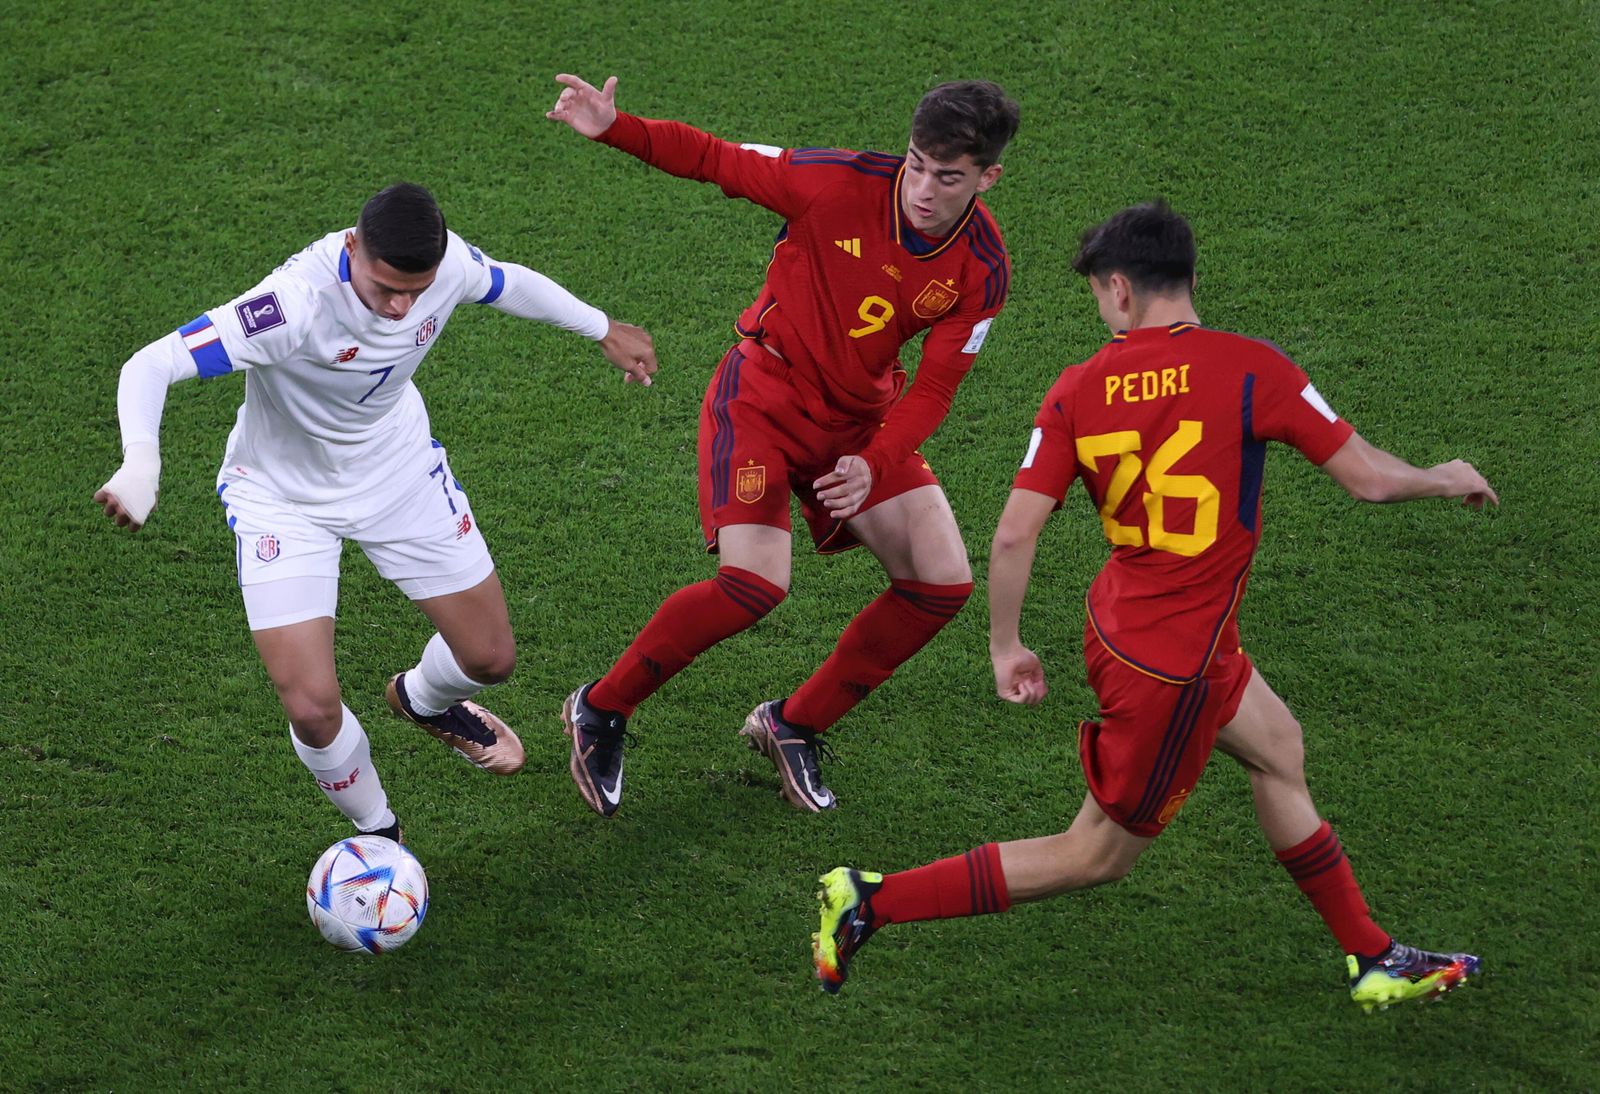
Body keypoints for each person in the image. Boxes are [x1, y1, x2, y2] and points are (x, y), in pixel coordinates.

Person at [812, 201, 1498, 1011]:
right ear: (1187, 276)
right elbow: (1371, 479)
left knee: (1279, 748)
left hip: (1137, 631)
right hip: (1174, 663)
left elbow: (1014, 534)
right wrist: (1445, 476)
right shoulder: (1253, 368)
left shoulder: (1076, 390)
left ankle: (1371, 957)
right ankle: (870, 901)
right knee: (1095, 855)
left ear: (1119, 289)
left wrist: (1006, 643)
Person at [95, 182, 657, 841]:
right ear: (353, 246)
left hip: (398, 475)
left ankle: (422, 700)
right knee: (311, 707)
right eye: (386, 288)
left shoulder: (446, 266)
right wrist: (141, 464)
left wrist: (601, 328)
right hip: (283, 500)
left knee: (491, 659)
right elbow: (152, 363)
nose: (399, 308)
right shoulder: (292, 305)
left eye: (416, 293)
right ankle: (379, 833)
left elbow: (507, 282)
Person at [546, 74, 1019, 816]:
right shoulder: (835, 182)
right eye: (917, 164)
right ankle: (601, 707)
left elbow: (933, 390)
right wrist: (614, 126)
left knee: (940, 582)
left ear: (988, 178)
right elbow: (714, 157)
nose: (923, 190)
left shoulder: (982, 268)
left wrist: (874, 462)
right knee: (754, 585)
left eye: (948, 177)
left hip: (857, 424)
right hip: (763, 397)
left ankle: (792, 723)